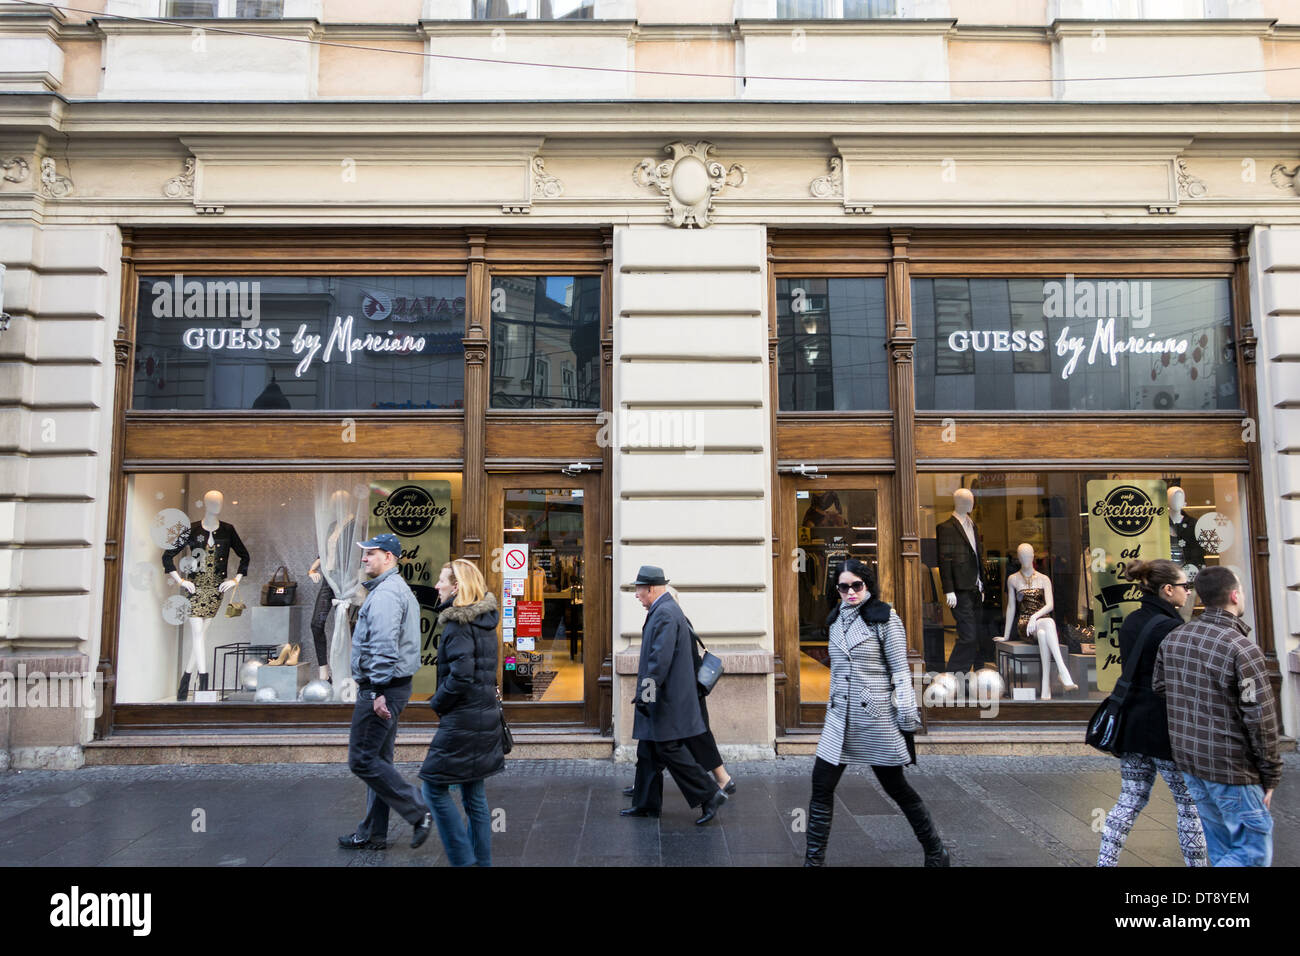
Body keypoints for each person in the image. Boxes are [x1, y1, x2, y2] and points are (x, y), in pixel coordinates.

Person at [805, 559, 948, 867]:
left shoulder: (885, 618)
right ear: (837, 590)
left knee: (896, 788)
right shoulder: (835, 620)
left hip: (875, 719)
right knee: (821, 785)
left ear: (867, 584)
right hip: (839, 719)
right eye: (844, 587)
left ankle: (936, 851)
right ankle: (813, 862)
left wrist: (907, 718)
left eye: (857, 585)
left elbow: (899, 670)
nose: (851, 592)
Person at [1154, 565, 1282, 867]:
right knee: (1252, 854)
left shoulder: (1175, 638)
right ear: (1235, 595)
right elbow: (1260, 717)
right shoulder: (1242, 648)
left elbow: (1160, 687)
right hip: (1231, 767)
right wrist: (1271, 774)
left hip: (1191, 759)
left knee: (1223, 847)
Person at [1095, 559, 1207, 867]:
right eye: (1185, 586)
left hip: (1132, 722)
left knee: (1130, 798)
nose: (1188, 592)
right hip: (1166, 727)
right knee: (1187, 803)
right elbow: (1182, 681)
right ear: (1168, 590)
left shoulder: (1131, 621)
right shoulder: (1173, 628)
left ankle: (1105, 863)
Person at [339, 533, 433, 851]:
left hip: (381, 688)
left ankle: (419, 812)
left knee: (362, 760)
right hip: (390, 686)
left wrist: (377, 690)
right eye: (364, 553)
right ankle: (374, 832)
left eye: (371, 553)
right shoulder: (389, 590)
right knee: (380, 760)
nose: (364, 558)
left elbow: (383, 645)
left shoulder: (386, 595)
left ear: (389, 558)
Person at [621, 565, 728, 825]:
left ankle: (710, 794)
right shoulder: (662, 610)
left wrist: (646, 695)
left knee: (668, 748)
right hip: (664, 697)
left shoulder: (665, 613)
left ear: (651, 588)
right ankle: (646, 804)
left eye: (638, 590)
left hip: (667, 699)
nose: (636, 595)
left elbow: (659, 660)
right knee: (648, 750)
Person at [419, 559, 504, 867]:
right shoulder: (484, 620)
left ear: (456, 586)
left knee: (433, 786)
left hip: (463, 720)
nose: (437, 586)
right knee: (474, 797)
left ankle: (462, 861)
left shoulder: (457, 623)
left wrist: (438, 702)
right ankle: (481, 863)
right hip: (483, 717)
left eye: (442, 581)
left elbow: (462, 675)